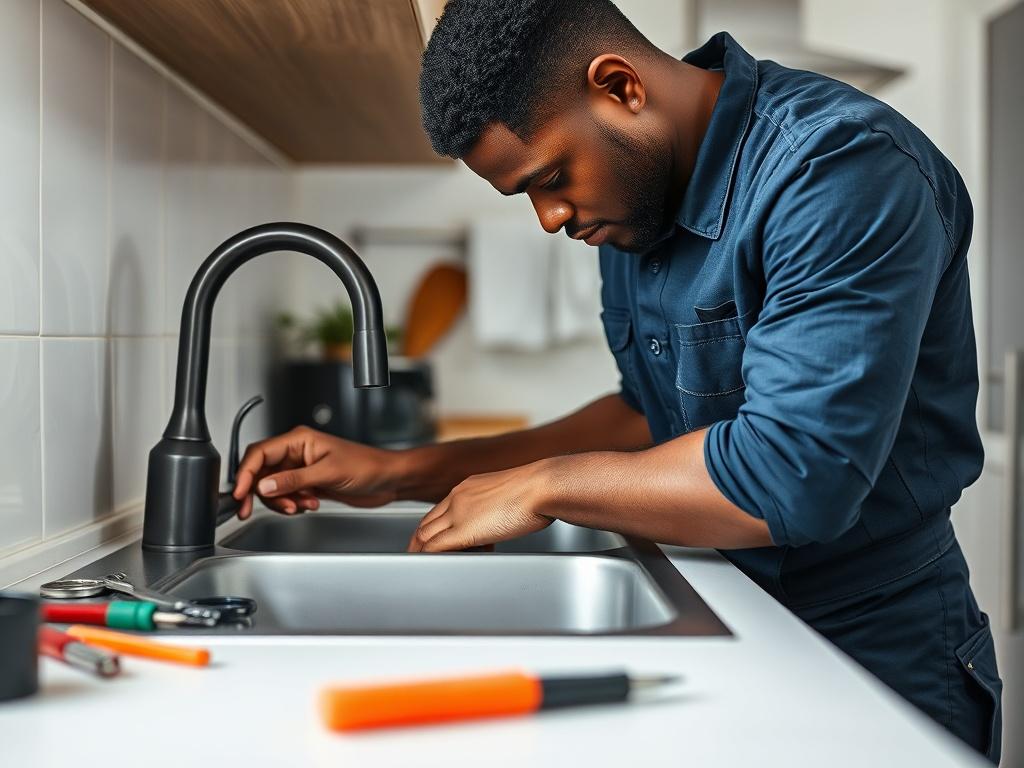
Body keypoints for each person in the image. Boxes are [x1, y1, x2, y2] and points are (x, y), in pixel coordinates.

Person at [232, 1, 1002, 760]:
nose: (549, 217)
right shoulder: (635, 200)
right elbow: (648, 415)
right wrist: (405, 472)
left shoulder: (839, 169)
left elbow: (795, 474)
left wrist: (543, 485)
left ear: (619, 86)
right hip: (720, 604)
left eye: (552, 177)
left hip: (871, 646)